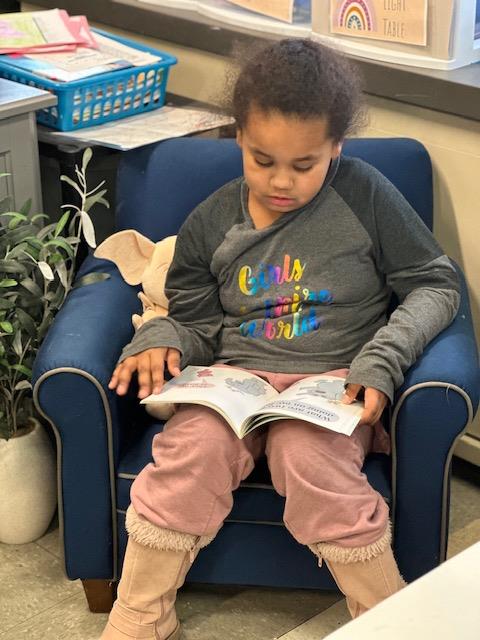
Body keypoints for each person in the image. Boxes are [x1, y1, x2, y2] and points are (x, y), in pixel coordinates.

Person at [100, 38, 460, 640]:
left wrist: (382, 360)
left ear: (336, 149)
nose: (281, 183)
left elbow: (435, 283)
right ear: (238, 136)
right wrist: (161, 336)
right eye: (263, 160)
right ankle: (140, 616)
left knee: (307, 455)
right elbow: (193, 315)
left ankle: (391, 621)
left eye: (304, 165)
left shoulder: (364, 194)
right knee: (189, 455)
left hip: (331, 381)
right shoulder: (212, 220)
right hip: (235, 381)